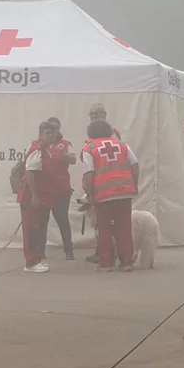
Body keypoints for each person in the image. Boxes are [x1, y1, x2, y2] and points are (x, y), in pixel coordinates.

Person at [82, 119, 139, 271]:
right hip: (125, 192)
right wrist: (134, 184)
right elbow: (135, 164)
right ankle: (127, 262)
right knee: (124, 228)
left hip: (104, 193)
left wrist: (89, 193)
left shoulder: (89, 148)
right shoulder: (122, 145)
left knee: (105, 229)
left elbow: (89, 173)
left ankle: (106, 263)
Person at [17, 122, 57, 273]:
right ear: (40, 134)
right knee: (32, 229)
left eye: (53, 133)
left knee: (38, 228)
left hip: (42, 197)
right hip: (32, 198)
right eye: (47, 133)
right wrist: (34, 195)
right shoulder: (37, 150)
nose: (51, 135)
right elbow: (30, 173)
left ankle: (36, 259)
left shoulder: (47, 150)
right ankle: (31, 262)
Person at [83, 104, 120, 264]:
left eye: (95, 113)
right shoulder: (92, 134)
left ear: (104, 114)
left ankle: (110, 254)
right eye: (90, 114)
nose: (92, 116)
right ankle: (101, 250)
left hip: (108, 183)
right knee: (100, 222)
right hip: (98, 182)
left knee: (109, 222)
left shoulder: (110, 133)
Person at [42, 117, 77, 260]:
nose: (53, 132)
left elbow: (73, 160)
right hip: (44, 189)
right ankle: (40, 251)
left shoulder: (65, 144)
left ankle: (69, 251)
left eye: (56, 128)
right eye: (50, 129)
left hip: (61, 189)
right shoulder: (41, 145)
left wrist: (64, 155)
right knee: (42, 221)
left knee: (62, 220)